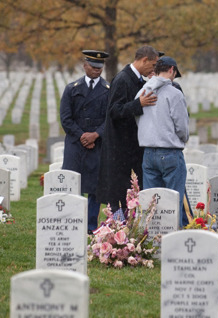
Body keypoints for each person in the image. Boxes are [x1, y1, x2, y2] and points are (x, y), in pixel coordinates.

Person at [96, 45, 159, 213]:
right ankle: (119, 230)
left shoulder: (138, 80)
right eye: (153, 65)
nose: (154, 69)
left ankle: (129, 231)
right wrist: (138, 104)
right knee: (120, 196)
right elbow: (114, 111)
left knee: (132, 196)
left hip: (132, 149)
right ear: (144, 60)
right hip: (120, 150)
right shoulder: (123, 79)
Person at [135, 56, 189, 227]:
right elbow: (181, 126)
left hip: (148, 152)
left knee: (152, 203)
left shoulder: (142, 92)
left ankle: (152, 241)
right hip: (170, 152)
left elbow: (138, 118)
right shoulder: (174, 93)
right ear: (172, 70)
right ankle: (174, 238)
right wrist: (182, 138)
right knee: (174, 201)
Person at [60, 50, 110, 233]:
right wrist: (82, 136)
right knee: (73, 185)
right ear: (85, 65)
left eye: (100, 67)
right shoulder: (72, 88)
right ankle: (72, 222)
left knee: (94, 188)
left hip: (97, 145)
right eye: (93, 67)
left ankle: (90, 226)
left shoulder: (107, 90)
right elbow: (65, 118)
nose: (97, 70)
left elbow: (109, 119)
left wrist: (95, 135)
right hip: (75, 144)